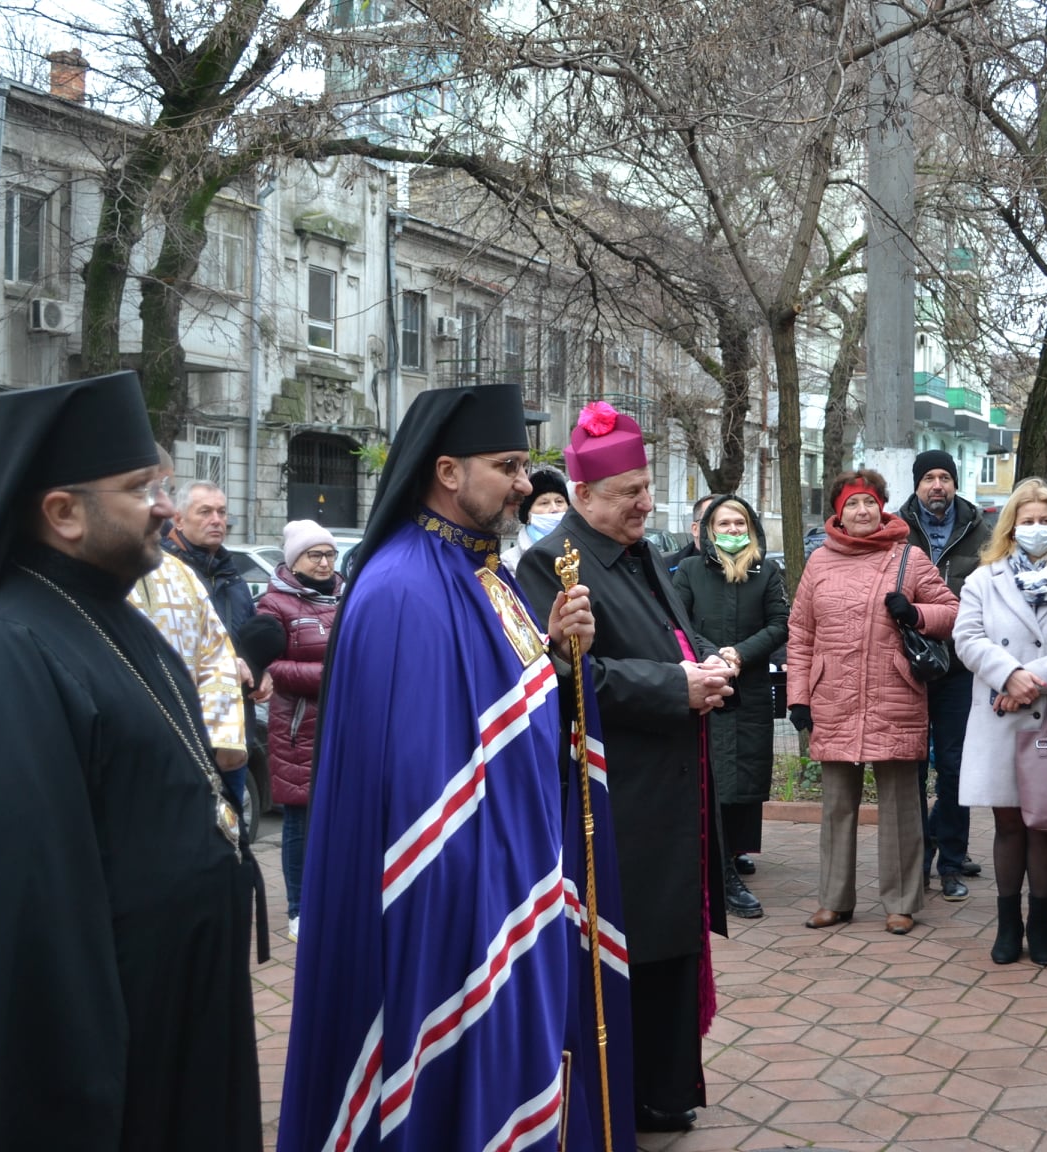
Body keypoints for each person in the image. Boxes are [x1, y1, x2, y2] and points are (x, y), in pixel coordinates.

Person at [0, 371, 263, 1151]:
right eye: (141, 488)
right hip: (103, 1065)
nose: (166, 508)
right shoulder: (4, 653)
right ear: (62, 513)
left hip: (173, 1031)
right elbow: (21, 929)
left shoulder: (117, 618)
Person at [278, 384, 626, 1152]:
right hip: (450, 913)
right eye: (507, 465)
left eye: (527, 464)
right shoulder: (402, 590)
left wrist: (559, 651)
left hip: (508, 886)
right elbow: (417, 797)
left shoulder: (486, 572)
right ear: (445, 472)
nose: (525, 482)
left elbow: (507, 714)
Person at [516, 401, 731, 1135]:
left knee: (671, 942)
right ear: (584, 497)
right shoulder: (552, 562)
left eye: (645, 487)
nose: (645, 501)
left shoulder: (639, 548)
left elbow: (670, 633)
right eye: (629, 492)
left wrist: (710, 656)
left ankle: (667, 1092)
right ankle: (629, 1092)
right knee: (632, 946)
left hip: (670, 785)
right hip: (617, 796)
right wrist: (680, 686)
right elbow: (573, 678)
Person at [789, 469, 959, 935]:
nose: (861, 512)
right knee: (836, 805)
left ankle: (901, 901)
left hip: (895, 694)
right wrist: (799, 695)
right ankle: (833, 899)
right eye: (852, 505)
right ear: (837, 513)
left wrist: (917, 613)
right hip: (834, 697)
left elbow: (953, 613)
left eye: (869, 503)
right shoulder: (819, 562)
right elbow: (802, 633)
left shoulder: (910, 558)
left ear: (882, 508)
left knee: (902, 805)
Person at [954, 478, 1047, 967]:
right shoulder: (984, 579)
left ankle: (1040, 923)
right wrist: (1008, 674)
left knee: (1045, 824)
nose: (1036, 528)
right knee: (1009, 824)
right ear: (1011, 526)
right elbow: (968, 638)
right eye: (1027, 520)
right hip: (1001, 721)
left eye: (1045, 520)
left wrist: (1032, 678)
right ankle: (1007, 923)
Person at [672, 494, 788, 920]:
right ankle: (719, 872)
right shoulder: (688, 571)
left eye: (740, 524)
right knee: (715, 778)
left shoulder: (766, 571)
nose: (733, 531)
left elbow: (779, 624)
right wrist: (712, 659)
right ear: (709, 530)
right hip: (706, 686)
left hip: (750, 686)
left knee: (745, 777)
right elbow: (677, 622)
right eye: (725, 524)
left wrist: (738, 654)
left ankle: (732, 853)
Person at [898, 448, 992, 901]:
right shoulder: (896, 530)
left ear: (955, 483)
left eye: (945, 478)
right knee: (912, 768)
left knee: (956, 767)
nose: (938, 485)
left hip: (959, 668)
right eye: (929, 478)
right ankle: (917, 860)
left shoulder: (981, 531)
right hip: (907, 666)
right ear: (917, 484)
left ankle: (951, 859)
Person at [128, 447, 248, 794]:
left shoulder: (180, 576)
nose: (162, 507)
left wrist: (220, 741)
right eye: (146, 490)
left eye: (164, 489)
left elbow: (217, 656)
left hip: (195, 758)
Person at [255, 520, 344, 944]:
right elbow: (270, 666)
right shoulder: (274, 605)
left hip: (344, 723)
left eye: (329, 554)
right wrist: (330, 674)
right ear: (295, 560)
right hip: (298, 728)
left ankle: (334, 902)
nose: (325, 562)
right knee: (300, 822)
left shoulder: (348, 597)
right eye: (316, 555)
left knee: (339, 819)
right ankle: (298, 909)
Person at [165, 480, 263, 809]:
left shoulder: (234, 577)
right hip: (185, 736)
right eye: (205, 512)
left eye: (221, 512)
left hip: (234, 738)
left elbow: (246, 641)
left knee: (231, 843)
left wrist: (263, 672)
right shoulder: (163, 575)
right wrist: (221, 664)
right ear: (178, 519)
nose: (217, 520)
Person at [501, 466, 570, 573]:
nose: (554, 509)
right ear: (527, 515)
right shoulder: (510, 562)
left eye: (559, 501)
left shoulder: (583, 550)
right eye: (544, 503)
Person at [668, 493, 716, 571]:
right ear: (695, 529)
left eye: (739, 523)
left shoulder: (742, 568)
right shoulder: (666, 569)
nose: (731, 529)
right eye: (712, 521)